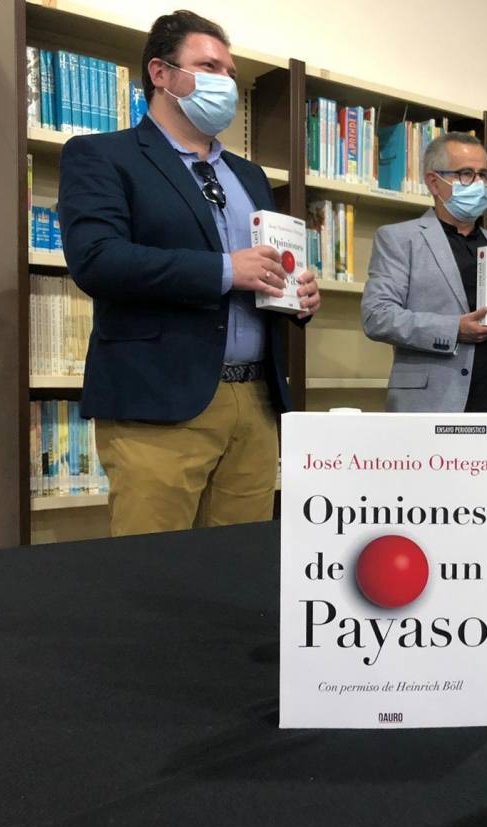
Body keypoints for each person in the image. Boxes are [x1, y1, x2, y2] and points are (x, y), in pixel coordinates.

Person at [58, 10, 321, 535]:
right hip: (159, 403)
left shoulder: (249, 175)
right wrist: (226, 270)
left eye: (230, 73)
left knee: (237, 568)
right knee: (155, 569)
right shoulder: (102, 156)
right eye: (209, 67)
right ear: (161, 73)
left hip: (257, 402)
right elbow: (98, 259)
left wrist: (295, 293)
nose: (226, 82)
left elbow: (263, 268)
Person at [360, 132, 487, 457]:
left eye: (484, 175)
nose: (479, 184)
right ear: (434, 182)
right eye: (466, 174)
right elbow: (377, 317)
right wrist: (454, 330)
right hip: (434, 406)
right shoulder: (399, 239)